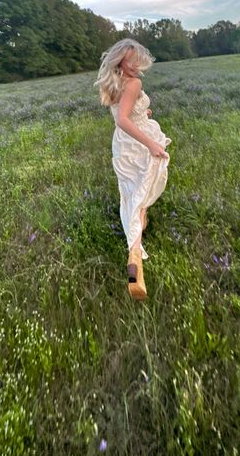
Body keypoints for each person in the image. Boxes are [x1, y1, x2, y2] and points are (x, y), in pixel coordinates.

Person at [94, 39, 171, 301]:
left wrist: (143, 110)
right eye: (131, 60)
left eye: (137, 57)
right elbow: (123, 118)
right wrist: (151, 144)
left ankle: (135, 253)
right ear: (121, 62)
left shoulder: (117, 82)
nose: (136, 63)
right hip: (137, 144)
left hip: (123, 144)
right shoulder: (134, 82)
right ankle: (134, 257)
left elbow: (125, 111)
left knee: (132, 195)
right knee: (140, 196)